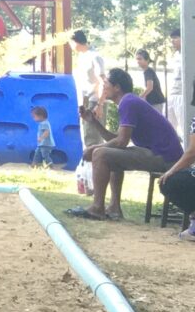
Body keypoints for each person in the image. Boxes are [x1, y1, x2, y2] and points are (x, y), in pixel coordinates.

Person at [70, 67, 184, 221]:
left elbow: (121, 142)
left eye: (106, 83)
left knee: (100, 154)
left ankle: (97, 208)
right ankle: (114, 208)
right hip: (162, 154)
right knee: (110, 155)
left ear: (117, 87)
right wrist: (94, 122)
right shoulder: (129, 101)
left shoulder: (128, 102)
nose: (104, 86)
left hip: (165, 157)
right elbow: (118, 139)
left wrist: (94, 148)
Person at [71, 31, 109, 148]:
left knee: (94, 138)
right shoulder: (81, 56)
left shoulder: (95, 57)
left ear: (75, 42)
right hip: (85, 100)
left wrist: (100, 104)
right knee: (87, 135)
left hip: (95, 100)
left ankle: (96, 159)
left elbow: (103, 82)